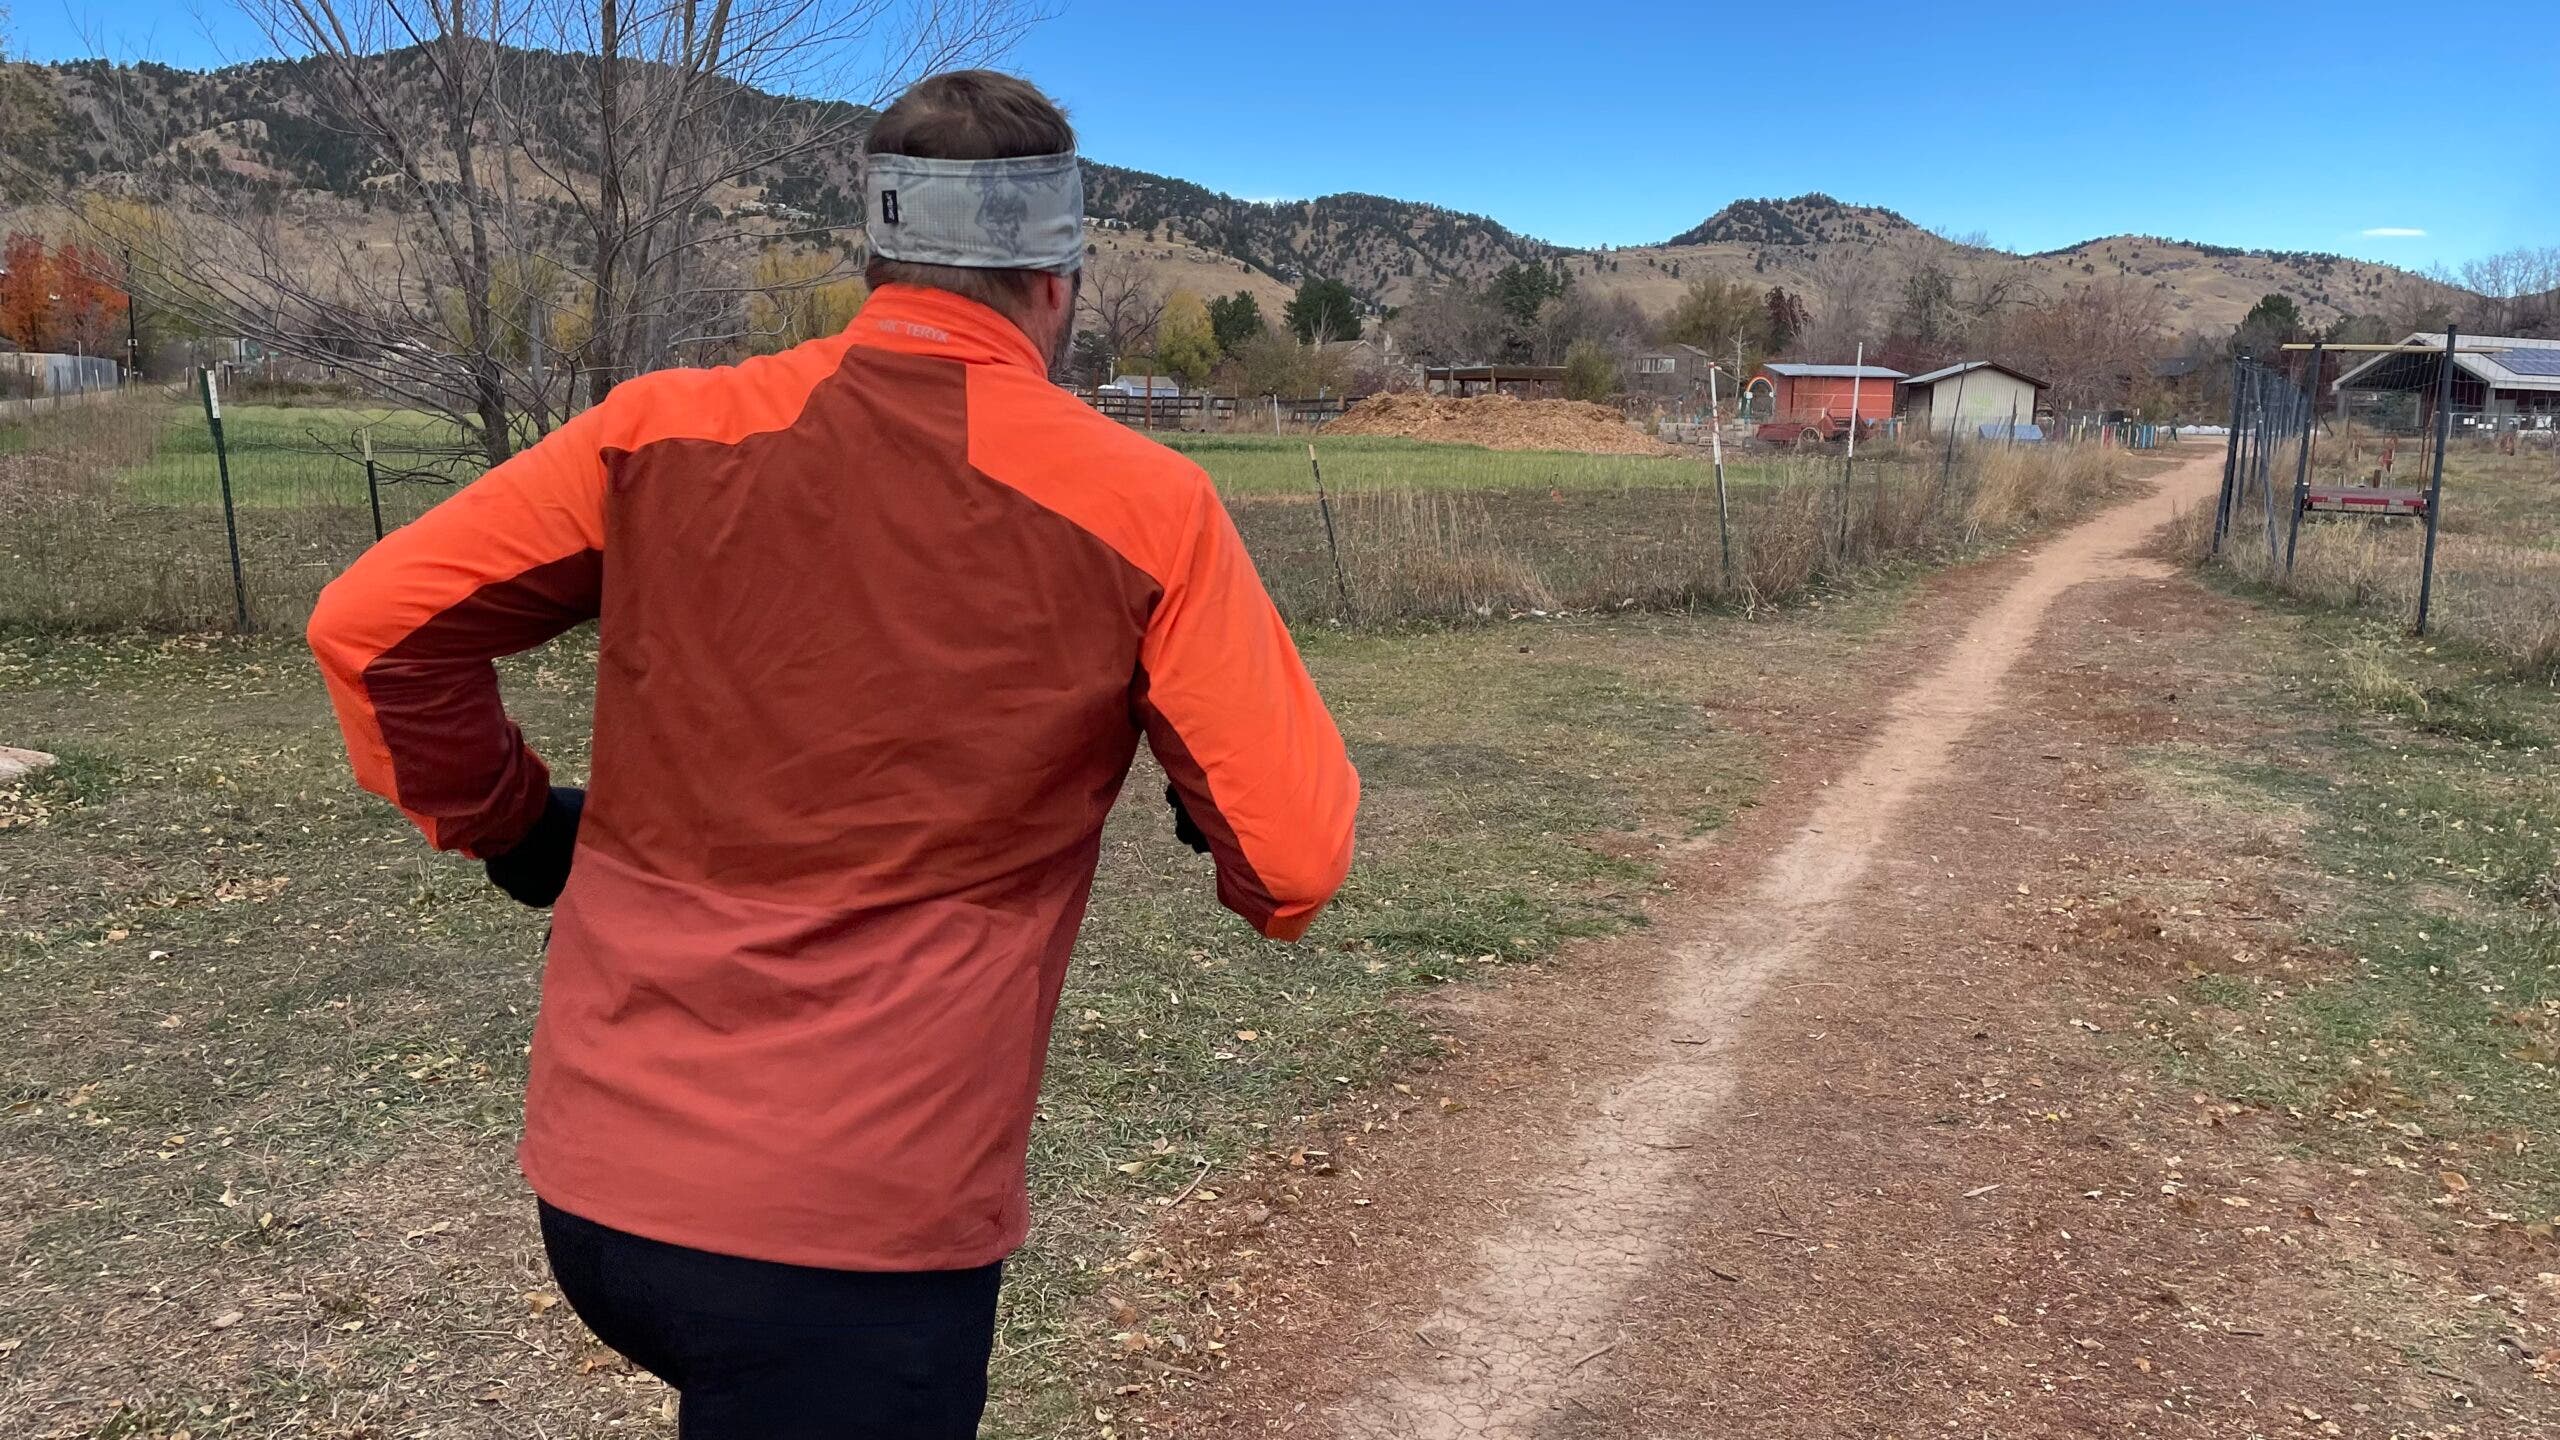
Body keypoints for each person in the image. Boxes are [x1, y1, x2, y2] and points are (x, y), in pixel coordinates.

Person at [306, 69, 1359, 1438]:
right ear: (1060, 283)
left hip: (600, 1198)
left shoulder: (656, 430)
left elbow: (373, 629)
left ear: (876, 259)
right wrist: (1214, 828)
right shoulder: (1144, 504)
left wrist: (515, 826)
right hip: (859, 1237)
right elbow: (1293, 857)